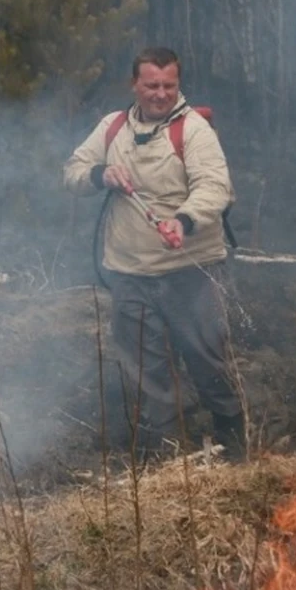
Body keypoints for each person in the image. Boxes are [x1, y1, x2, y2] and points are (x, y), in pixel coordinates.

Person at [63, 46, 246, 460]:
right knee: (146, 373)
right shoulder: (112, 128)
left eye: (169, 85)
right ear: (135, 85)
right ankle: (165, 458)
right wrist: (100, 173)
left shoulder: (194, 131)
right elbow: (72, 171)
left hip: (192, 272)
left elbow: (214, 187)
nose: (161, 94)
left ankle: (235, 447)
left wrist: (182, 222)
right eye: (152, 85)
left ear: (177, 85)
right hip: (129, 274)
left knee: (207, 361)